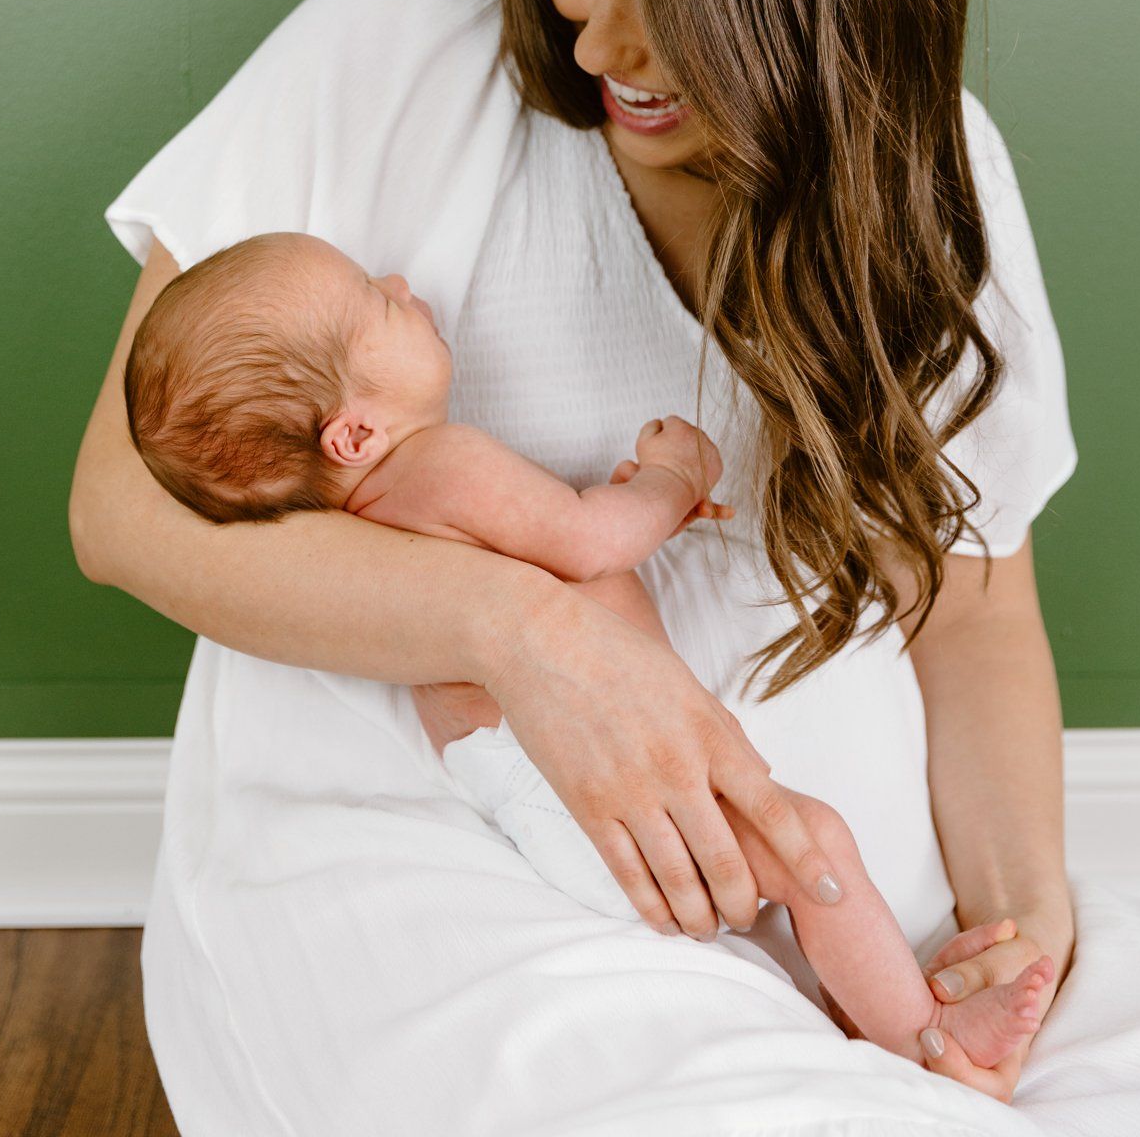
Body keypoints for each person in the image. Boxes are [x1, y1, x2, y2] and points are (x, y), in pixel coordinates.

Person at [71, 0, 1140, 1135]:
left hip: (830, 890)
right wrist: (528, 637)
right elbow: (123, 515)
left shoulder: (936, 182)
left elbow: (973, 608)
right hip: (463, 852)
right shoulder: (396, 46)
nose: (605, 39)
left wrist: (1024, 916)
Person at [121, 226, 1058, 1072]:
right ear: (354, 430)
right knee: (813, 845)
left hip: (534, 799)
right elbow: (585, 540)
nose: (403, 281)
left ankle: (854, 1009)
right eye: (376, 298)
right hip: (576, 788)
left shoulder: (380, 522)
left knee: (788, 872)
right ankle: (923, 1043)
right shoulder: (438, 465)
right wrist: (667, 478)